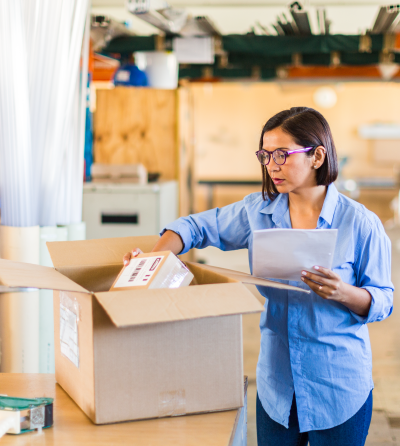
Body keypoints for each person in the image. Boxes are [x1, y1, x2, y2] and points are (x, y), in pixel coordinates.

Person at [123, 107, 393, 446]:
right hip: (277, 387)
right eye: (265, 155)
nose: (271, 165)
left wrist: (343, 293)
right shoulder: (256, 212)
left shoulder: (360, 223)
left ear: (317, 156)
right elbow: (191, 227)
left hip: (338, 387)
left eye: (282, 154)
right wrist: (154, 259)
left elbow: (383, 299)